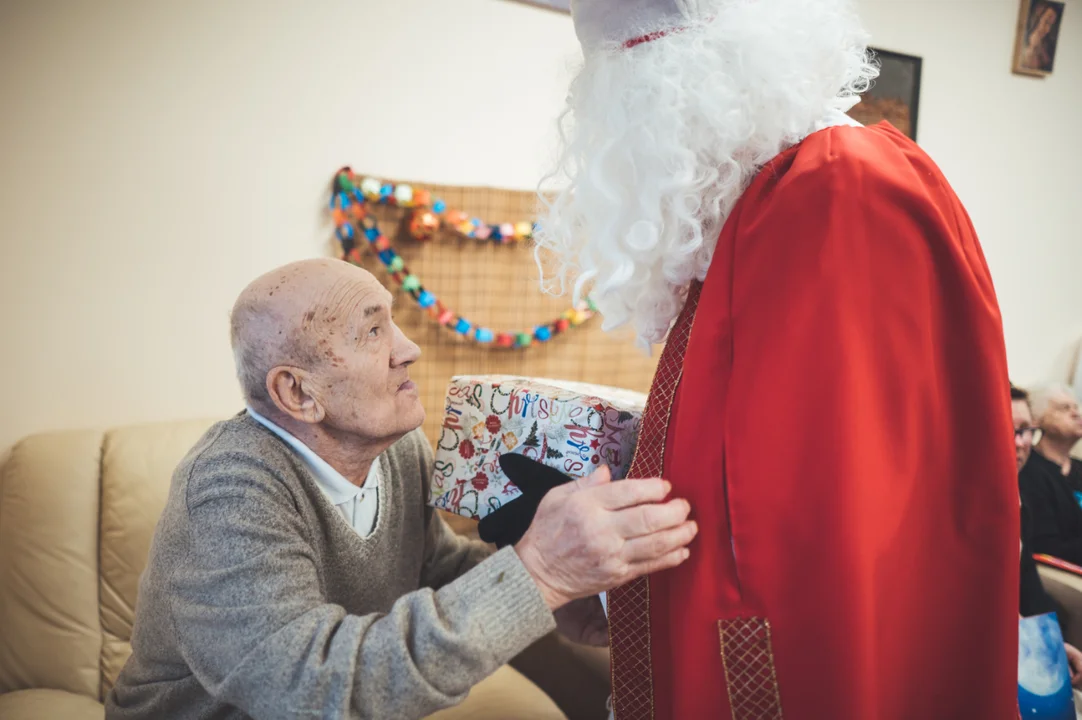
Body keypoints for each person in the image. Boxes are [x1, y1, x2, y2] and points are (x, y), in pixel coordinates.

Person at [534, 0, 1018, 717]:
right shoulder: (775, 191)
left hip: (814, 642)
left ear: (679, 85)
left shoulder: (832, 185)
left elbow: (811, 501)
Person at [106, 258, 699, 720]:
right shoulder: (229, 493)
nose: (408, 349)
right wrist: (540, 573)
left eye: (393, 321)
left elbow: (435, 568)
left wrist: (556, 604)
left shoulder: (395, 447)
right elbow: (307, 694)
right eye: (371, 331)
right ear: (298, 394)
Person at [1014, 385, 1082, 686]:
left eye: (1024, 430)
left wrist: (1051, 645)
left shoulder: (1019, 503)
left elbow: (1027, 583)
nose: (1019, 443)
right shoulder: (1031, 478)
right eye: (1063, 407)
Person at [1020, 383, 1082, 565]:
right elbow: (1045, 548)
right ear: (1037, 419)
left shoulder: (1079, 468)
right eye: (1064, 409)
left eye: (1076, 407)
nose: (1076, 413)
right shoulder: (1028, 470)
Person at [1020, 2, 1060, 72]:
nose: (1048, 30)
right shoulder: (1021, 42)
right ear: (1037, 18)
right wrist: (1032, 47)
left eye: (1051, 25)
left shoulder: (1048, 46)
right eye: (1046, 22)